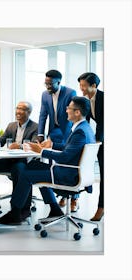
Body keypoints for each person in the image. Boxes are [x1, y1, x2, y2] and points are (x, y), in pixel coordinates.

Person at [0, 96, 95, 225]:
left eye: (69, 108)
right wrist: (51, 145)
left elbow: (64, 156)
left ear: (77, 112)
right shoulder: (85, 128)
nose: (66, 110)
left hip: (68, 174)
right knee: (33, 165)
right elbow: (70, 149)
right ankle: (55, 209)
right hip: (73, 171)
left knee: (25, 174)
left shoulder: (79, 131)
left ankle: (16, 213)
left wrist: (40, 151)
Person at [37, 69, 79, 211]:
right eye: (46, 83)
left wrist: (71, 136)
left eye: (50, 84)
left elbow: (73, 115)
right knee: (51, 162)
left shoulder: (70, 93)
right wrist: (40, 134)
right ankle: (59, 192)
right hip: (54, 130)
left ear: (58, 82)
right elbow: (43, 115)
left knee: (68, 161)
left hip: (67, 131)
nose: (47, 86)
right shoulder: (45, 95)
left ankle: (73, 198)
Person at [0, 101, 38, 217]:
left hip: (24, 161)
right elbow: (2, 140)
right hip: (9, 159)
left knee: (19, 170)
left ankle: (22, 208)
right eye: (17, 108)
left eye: (22, 109)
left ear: (29, 112)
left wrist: (20, 146)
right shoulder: (11, 125)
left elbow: (35, 145)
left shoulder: (35, 127)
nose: (18, 112)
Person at [78, 72, 104, 221]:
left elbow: (104, 123)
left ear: (93, 86)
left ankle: (101, 207)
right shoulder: (87, 100)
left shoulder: (104, 98)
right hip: (99, 140)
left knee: (104, 176)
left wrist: (97, 140)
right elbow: (85, 123)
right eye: (80, 85)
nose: (81, 89)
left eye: (84, 86)